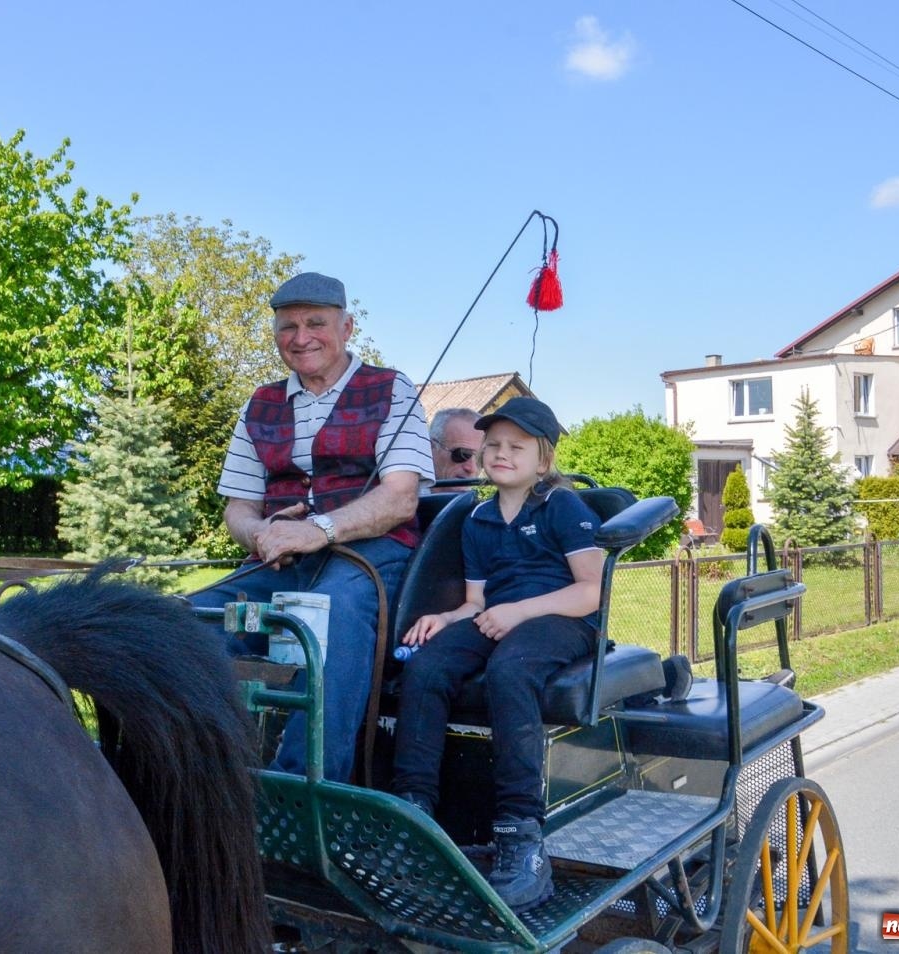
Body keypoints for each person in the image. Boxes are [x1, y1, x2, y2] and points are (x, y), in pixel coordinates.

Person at [194, 271, 433, 783]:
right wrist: (259, 536)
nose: (301, 338)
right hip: (278, 563)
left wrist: (318, 530)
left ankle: (306, 790)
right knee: (190, 623)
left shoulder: (390, 388)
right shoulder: (260, 403)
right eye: (288, 327)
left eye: (315, 324)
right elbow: (238, 507)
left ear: (347, 328)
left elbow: (400, 498)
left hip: (368, 559)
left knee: (329, 618)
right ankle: (205, 777)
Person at [389, 397, 603, 912]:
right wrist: (446, 620)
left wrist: (520, 613)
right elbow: (477, 603)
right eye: (493, 445)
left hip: (563, 621)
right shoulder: (479, 518)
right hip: (497, 618)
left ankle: (520, 833)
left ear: (543, 461)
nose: (501, 454)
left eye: (516, 447)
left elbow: (592, 591)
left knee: (511, 671)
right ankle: (412, 812)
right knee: (427, 665)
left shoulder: (562, 507)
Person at [428, 407, 482, 487]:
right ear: (431, 448)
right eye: (462, 454)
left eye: (481, 459)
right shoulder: (406, 495)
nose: (472, 468)